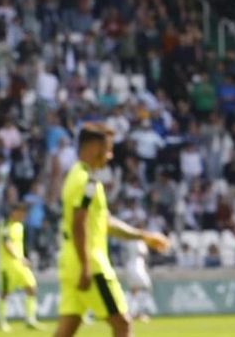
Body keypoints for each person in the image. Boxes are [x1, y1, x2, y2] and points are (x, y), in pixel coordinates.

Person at [55, 125, 171, 337]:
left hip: (70, 262)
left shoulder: (75, 175)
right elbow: (78, 223)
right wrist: (86, 265)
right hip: (91, 263)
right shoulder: (87, 181)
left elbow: (104, 223)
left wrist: (144, 236)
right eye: (107, 149)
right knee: (122, 325)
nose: (110, 155)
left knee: (67, 329)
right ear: (93, 147)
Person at [0, 204, 41, 331]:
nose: (23, 216)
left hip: (21, 265)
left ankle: (30, 319)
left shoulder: (20, 226)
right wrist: (19, 257)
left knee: (32, 287)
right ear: (14, 212)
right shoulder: (5, 224)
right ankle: (1, 321)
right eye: (22, 213)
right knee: (4, 293)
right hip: (7, 266)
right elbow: (6, 243)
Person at [123, 240, 153, 323]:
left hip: (130, 266)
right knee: (147, 287)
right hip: (136, 267)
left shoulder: (129, 241)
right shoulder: (138, 241)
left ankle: (132, 313)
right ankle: (139, 313)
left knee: (134, 290)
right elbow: (143, 252)